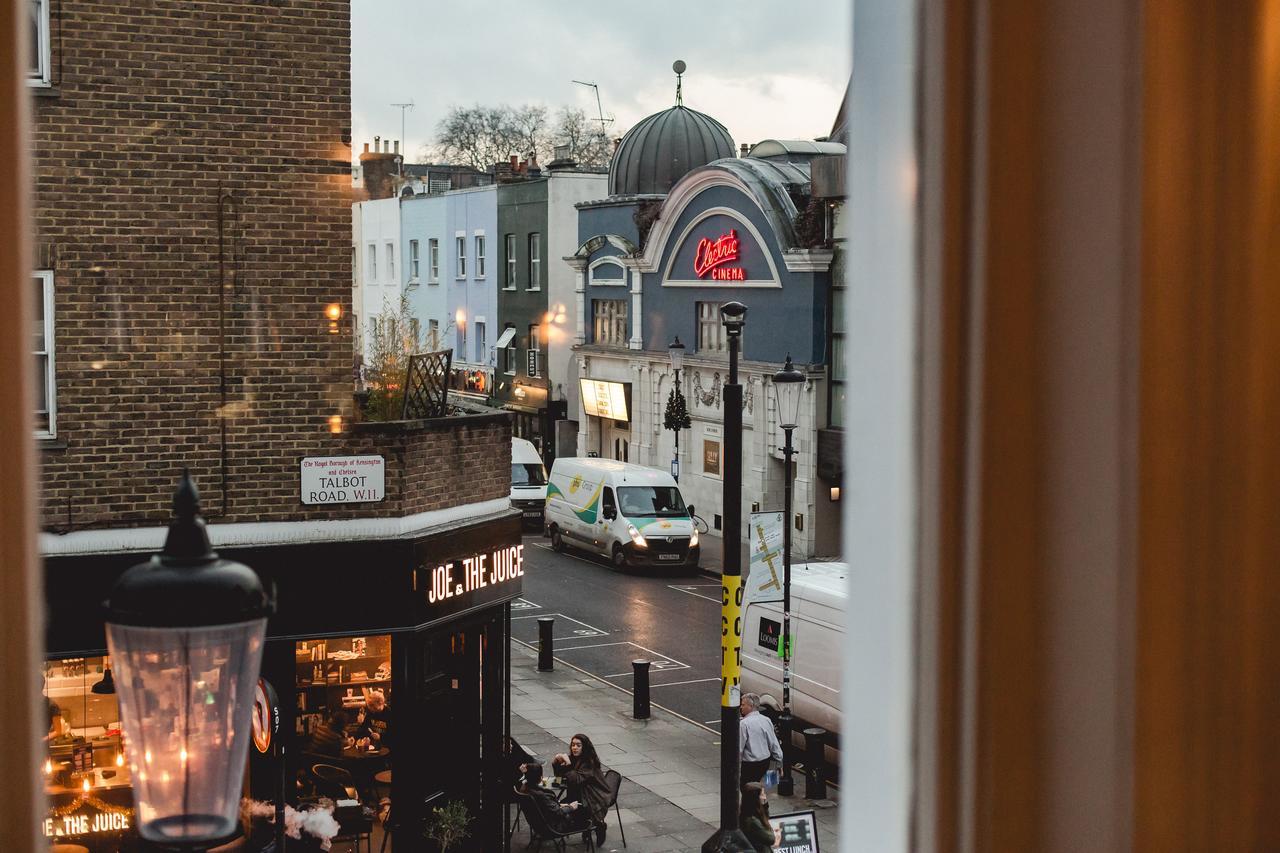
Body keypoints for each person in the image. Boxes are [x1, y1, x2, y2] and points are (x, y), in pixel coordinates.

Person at [551, 733, 611, 846]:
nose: (574, 748)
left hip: (592, 798)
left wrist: (568, 765)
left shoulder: (589, 762)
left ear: (584, 747)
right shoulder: (574, 759)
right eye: (573, 745)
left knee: (567, 812)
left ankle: (598, 826)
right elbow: (561, 776)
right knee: (557, 808)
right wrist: (556, 763)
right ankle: (588, 827)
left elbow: (576, 780)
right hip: (577, 795)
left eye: (578, 745)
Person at [515, 762, 592, 836]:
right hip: (554, 827)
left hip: (540, 824)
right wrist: (571, 807)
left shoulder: (525, 788)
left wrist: (560, 804)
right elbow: (557, 812)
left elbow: (547, 807)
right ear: (540, 777)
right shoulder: (540, 795)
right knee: (584, 811)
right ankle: (592, 828)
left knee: (573, 804)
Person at [739, 693, 783, 785]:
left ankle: (756, 799)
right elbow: (773, 742)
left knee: (747, 789)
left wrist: (736, 765)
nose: (741, 707)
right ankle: (762, 797)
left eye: (743, 705)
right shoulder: (766, 720)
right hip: (765, 762)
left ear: (750, 706)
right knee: (763, 786)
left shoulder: (743, 724)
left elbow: (740, 748)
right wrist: (779, 762)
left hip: (750, 764)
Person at [739, 782, 781, 852]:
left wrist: (764, 806)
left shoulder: (747, 811)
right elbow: (771, 839)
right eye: (762, 794)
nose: (765, 797)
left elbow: (765, 819)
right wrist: (771, 830)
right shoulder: (753, 821)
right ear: (755, 798)